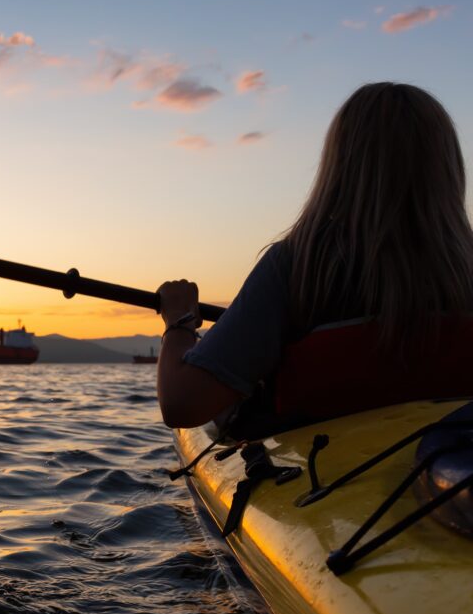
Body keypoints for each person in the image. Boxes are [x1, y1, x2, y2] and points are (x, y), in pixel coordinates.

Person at [155, 82, 473, 431]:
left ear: (338, 166)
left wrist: (179, 321)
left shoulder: (296, 267)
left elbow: (182, 405)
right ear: (449, 166)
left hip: (321, 475)